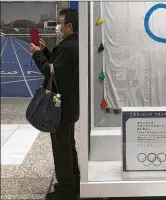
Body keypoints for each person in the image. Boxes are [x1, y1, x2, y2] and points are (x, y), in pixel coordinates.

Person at [30, 8, 80, 200]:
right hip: (70, 105)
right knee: (68, 145)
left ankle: (66, 191)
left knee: (61, 148)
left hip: (61, 107)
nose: (57, 25)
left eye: (60, 22)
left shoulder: (68, 47)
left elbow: (51, 72)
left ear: (68, 26)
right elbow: (60, 67)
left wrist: (36, 55)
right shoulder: (73, 45)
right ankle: (74, 183)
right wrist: (45, 51)